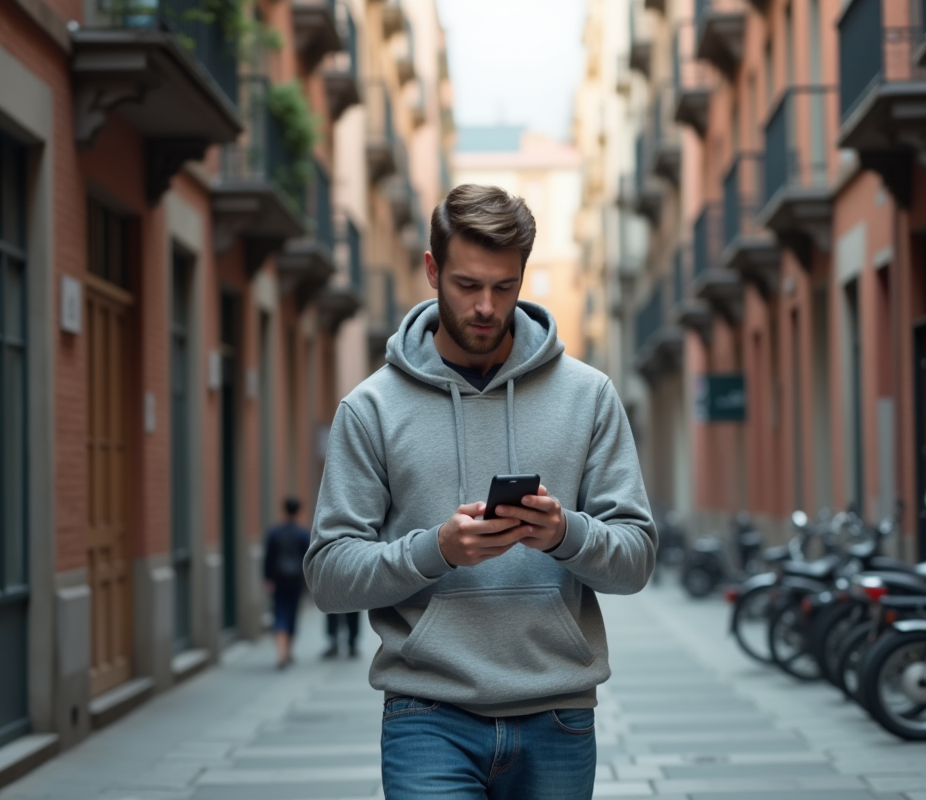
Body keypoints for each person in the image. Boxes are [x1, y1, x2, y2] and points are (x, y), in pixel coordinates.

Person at [305, 184, 656, 800]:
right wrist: (434, 549)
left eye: (505, 286)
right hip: (428, 715)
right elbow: (329, 576)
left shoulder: (590, 395)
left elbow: (636, 562)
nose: (488, 306)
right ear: (432, 270)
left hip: (558, 713)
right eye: (468, 286)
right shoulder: (371, 408)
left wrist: (565, 533)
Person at [263, 496, 311, 669]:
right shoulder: (303, 534)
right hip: (296, 579)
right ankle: (288, 651)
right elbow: (308, 559)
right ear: (298, 511)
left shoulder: (274, 532)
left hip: (278, 579)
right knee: (292, 613)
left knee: (279, 613)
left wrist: (267, 578)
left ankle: (282, 653)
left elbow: (268, 558)